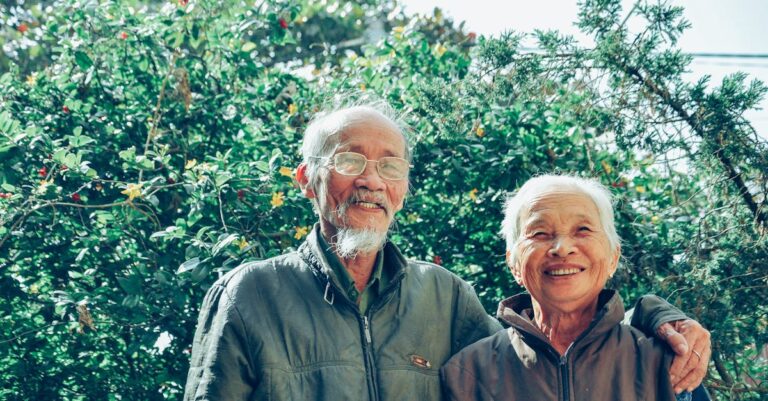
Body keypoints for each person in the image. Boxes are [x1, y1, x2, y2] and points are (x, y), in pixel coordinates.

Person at [183, 102, 710, 401]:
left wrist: (654, 316)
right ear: (306, 180)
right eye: (349, 160)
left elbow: (545, 360)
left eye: (390, 166)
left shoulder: (444, 296)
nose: (371, 180)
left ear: (403, 188)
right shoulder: (251, 294)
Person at [441, 175, 710, 400]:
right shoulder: (468, 374)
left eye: (583, 230)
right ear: (513, 263)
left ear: (613, 258)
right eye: (539, 233)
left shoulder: (667, 362)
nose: (562, 248)